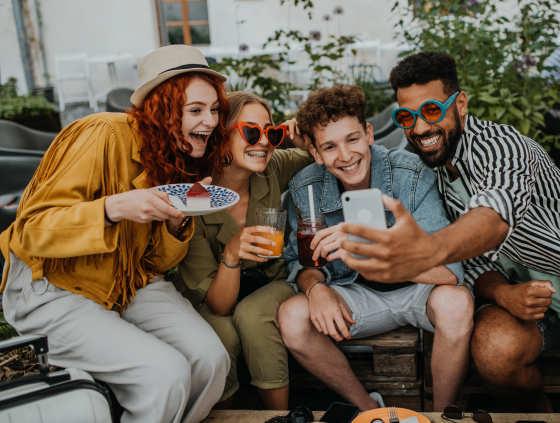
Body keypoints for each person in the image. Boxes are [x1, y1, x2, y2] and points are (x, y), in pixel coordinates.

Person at [340, 51, 560, 411]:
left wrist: (426, 250)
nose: (418, 128)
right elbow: (475, 264)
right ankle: (546, 413)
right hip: (525, 301)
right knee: (493, 352)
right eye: (406, 117)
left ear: (459, 104)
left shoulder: (502, 147)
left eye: (431, 111)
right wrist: (503, 293)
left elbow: (493, 216)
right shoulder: (429, 171)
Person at [0, 45, 232, 423]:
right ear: (162, 110)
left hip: (127, 281)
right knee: (163, 374)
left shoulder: (173, 155)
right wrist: (113, 208)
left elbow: (156, 263)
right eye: (195, 110)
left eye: (214, 109)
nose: (210, 121)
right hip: (56, 286)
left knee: (211, 359)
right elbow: (32, 231)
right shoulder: (99, 133)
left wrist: (175, 223)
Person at [277, 84, 471, 412]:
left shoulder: (411, 174)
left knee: (457, 303)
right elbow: (302, 265)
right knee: (292, 316)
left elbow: (450, 273)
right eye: (330, 147)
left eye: (352, 139)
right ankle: (370, 410)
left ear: (368, 134)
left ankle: (440, 417)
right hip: (357, 296)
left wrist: (377, 250)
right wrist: (315, 289)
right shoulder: (306, 188)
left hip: (420, 292)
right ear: (316, 154)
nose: (346, 156)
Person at [178, 91, 312, 410]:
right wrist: (232, 253)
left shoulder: (272, 166)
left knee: (252, 315)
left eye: (272, 132)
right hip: (220, 291)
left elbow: (317, 154)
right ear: (221, 136)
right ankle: (227, 415)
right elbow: (220, 305)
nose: (264, 141)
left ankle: (278, 416)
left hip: (272, 282)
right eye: (252, 131)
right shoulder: (194, 195)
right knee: (219, 328)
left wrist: (303, 138)